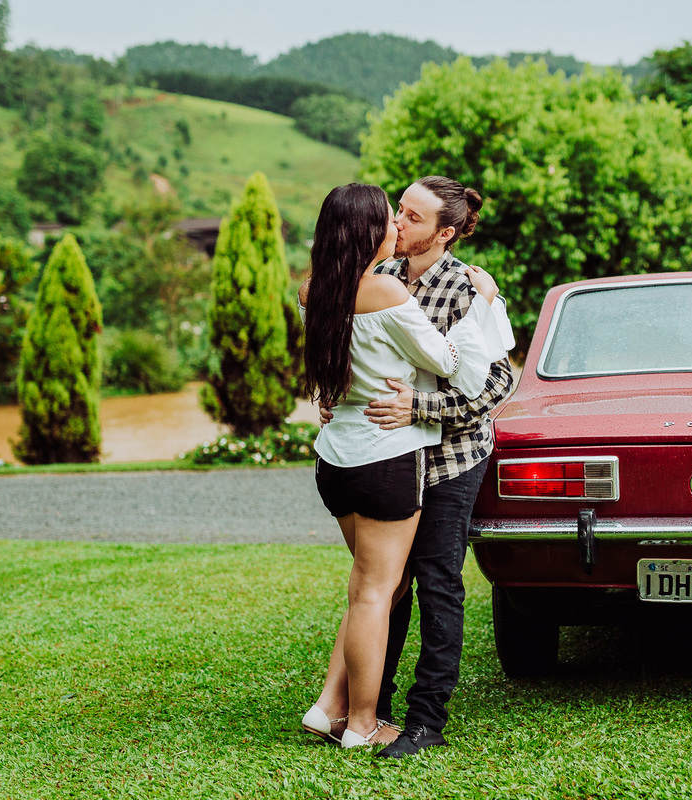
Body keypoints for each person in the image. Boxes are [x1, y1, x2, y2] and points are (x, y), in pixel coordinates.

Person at [297, 183, 505, 749]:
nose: (400, 224)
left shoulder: (458, 284)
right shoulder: (382, 284)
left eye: (411, 216)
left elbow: (497, 381)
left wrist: (419, 405)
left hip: (429, 458)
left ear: (446, 232)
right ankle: (365, 719)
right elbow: (450, 360)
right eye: (395, 214)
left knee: (415, 587)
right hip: (389, 459)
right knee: (378, 591)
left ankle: (396, 716)